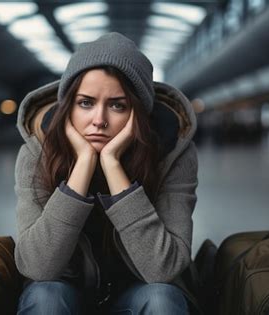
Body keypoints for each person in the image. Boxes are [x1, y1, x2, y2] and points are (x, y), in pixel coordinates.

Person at [14, 32, 198, 315]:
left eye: (117, 105)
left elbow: (163, 269)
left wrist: (112, 165)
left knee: (161, 299)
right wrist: (83, 165)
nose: (99, 120)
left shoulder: (172, 154)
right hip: (65, 293)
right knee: (44, 297)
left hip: (138, 292)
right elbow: (37, 267)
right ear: (68, 107)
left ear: (139, 113)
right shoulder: (37, 152)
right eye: (86, 103)